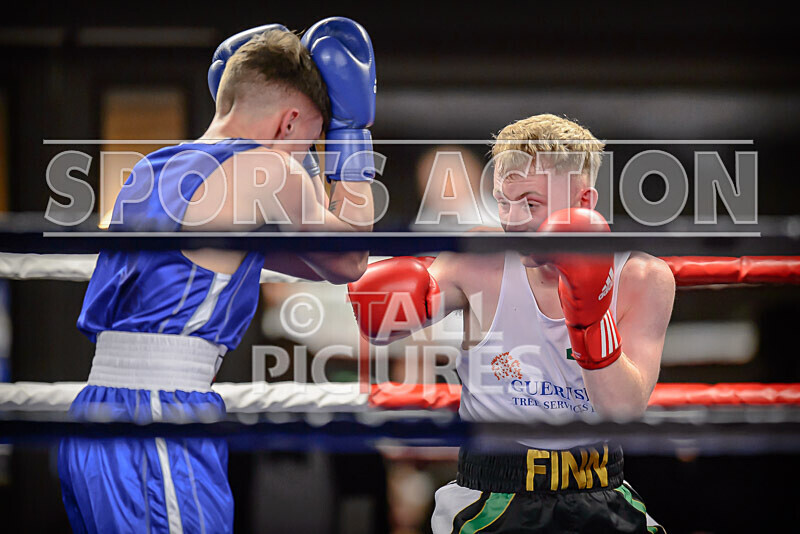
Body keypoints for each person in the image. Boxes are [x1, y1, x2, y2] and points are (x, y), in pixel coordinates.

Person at [58, 18, 376, 533]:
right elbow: (349, 260)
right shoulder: (269, 168)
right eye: (309, 143)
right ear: (288, 123)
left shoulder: (150, 169)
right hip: (160, 416)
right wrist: (350, 135)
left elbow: (307, 262)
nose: (306, 161)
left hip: (93, 414)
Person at [349, 114, 675, 533]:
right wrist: (380, 298)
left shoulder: (643, 279)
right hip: (492, 494)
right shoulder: (478, 261)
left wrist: (589, 317)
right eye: (504, 200)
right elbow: (385, 315)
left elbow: (623, 410)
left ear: (584, 203)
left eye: (530, 203)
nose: (513, 219)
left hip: (601, 489)